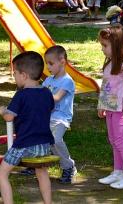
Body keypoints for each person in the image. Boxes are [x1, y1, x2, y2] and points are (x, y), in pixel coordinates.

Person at [0, 51, 54, 204]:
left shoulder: (21, 95)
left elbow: (9, 117)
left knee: (1, 175)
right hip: (44, 144)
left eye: (15, 73)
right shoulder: (47, 93)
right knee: (42, 172)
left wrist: (2, 110)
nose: (14, 76)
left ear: (24, 75)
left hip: (24, 144)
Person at [97, 25, 123, 189]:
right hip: (110, 109)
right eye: (102, 45)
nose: (102, 49)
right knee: (113, 141)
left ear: (117, 45)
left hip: (121, 109)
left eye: (105, 46)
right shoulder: (109, 65)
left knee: (121, 142)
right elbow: (106, 86)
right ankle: (117, 172)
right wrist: (102, 104)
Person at [43, 45, 77, 183]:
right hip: (47, 117)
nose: (48, 67)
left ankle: (69, 166)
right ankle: (35, 164)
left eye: (51, 63)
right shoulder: (48, 80)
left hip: (61, 119)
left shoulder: (67, 81)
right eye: (46, 63)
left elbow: (56, 98)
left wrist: (41, 98)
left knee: (55, 140)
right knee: (35, 137)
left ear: (62, 62)